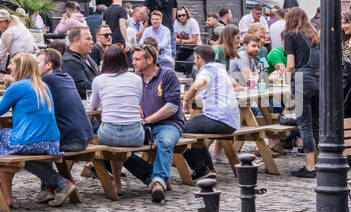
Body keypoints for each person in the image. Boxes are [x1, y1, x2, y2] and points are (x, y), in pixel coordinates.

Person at [0, 53, 61, 209]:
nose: (8, 67)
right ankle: (5, 194)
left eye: (12, 64)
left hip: (32, 142)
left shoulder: (18, 87)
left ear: (20, 67)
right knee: (6, 144)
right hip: (52, 142)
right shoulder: (42, 85)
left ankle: (5, 195)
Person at [122, 44, 185, 203]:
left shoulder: (167, 75)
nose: (133, 62)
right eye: (133, 59)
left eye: (137, 59)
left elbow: (172, 107)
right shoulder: (135, 78)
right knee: (118, 147)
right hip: (143, 126)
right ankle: (150, 174)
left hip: (169, 124)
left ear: (150, 60)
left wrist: (147, 120)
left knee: (164, 142)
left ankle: (158, 183)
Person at [37, 47, 92, 203]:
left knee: (23, 151)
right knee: (41, 139)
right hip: (84, 137)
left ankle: (60, 184)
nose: (34, 66)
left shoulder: (46, 81)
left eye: (38, 62)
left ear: (48, 65)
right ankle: (47, 189)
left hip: (70, 140)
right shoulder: (66, 76)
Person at [90, 44, 145, 195]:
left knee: (109, 139)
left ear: (105, 61)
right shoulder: (136, 79)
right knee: (121, 140)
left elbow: (93, 106)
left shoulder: (99, 80)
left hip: (108, 134)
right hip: (134, 135)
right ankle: (147, 176)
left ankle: (117, 183)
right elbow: (137, 101)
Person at [180, 44, 241, 179]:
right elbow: (231, 84)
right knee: (194, 128)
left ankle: (201, 169)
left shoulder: (206, 70)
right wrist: (187, 96)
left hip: (219, 119)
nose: (194, 62)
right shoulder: (220, 68)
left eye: (195, 59)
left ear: (200, 59)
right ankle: (209, 169)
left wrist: (187, 99)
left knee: (180, 131)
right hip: (231, 120)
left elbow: (197, 85)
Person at [284, 7, 321, 178]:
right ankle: (320, 162)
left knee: (304, 124)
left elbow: (291, 64)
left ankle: (310, 166)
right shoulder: (314, 35)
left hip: (301, 80)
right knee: (316, 124)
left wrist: (286, 81)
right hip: (318, 80)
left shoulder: (291, 35)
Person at [0, 8, 38, 77]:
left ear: (4, 21)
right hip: (33, 60)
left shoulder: (8, 33)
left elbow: (0, 55)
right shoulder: (19, 25)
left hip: (21, 63)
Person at [59, 26, 98, 97]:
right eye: (88, 39)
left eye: (92, 39)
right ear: (76, 41)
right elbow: (83, 87)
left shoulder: (87, 56)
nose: (92, 42)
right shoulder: (69, 61)